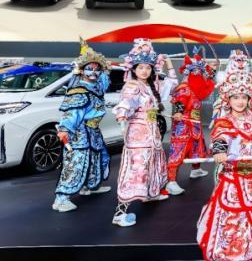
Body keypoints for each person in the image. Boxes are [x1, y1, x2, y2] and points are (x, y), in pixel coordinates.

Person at [197, 69, 252, 261]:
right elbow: (221, 136)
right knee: (232, 215)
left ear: (249, 98)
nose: (240, 101)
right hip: (234, 175)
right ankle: (231, 246)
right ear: (228, 99)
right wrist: (219, 150)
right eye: (235, 97)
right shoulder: (225, 120)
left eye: (244, 97)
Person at [112, 39, 178, 227]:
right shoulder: (133, 86)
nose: (144, 71)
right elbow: (127, 102)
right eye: (140, 67)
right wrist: (122, 115)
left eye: (148, 68)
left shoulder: (151, 86)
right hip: (138, 135)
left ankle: (151, 194)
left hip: (152, 133)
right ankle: (119, 213)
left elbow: (172, 84)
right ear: (134, 69)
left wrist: (169, 64)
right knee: (136, 171)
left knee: (152, 165)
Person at [52, 39, 112, 212]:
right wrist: (65, 129)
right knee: (76, 163)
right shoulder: (78, 90)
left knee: (99, 158)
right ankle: (61, 199)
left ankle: (90, 186)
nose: (93, 72)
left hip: (93, 131)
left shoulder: (96, 86)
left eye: (97, 69)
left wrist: (106, 69)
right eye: (89, 69)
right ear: (81, 70)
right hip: (79, 132)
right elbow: (72, 113)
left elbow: (104, 83)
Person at [165, 48, 217, 195]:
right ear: (189, 72)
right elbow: (180, 101)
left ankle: (196, 169)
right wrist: (179, 112)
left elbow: (207, 83)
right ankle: (171, 181)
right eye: (195, 72)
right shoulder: (185, 87)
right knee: (179, 149)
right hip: (184, 123)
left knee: (197, 146)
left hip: (194, 122)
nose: (198, 74)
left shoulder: (196, 88)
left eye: (199, 72)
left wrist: (212, 70)